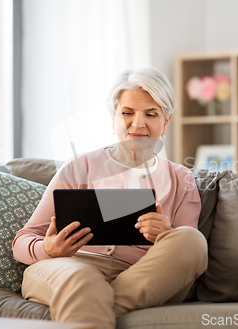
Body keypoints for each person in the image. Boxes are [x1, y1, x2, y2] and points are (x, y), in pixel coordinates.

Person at [12, 68, 208, 329]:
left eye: (151, 114)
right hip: (69, 268)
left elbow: (186, 254)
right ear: (113, 118)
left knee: (191, 240)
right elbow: (21, 241)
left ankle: (90, 303)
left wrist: (166, 234)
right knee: (82, 280)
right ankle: (90, 298)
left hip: (139, 275)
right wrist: (49, 249)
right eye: (127, 113)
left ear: (166, 122)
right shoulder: (78, 168)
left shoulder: (181, 179)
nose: (137, 124)